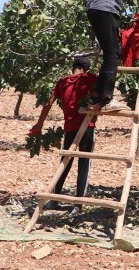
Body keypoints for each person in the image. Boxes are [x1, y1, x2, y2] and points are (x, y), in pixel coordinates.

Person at [30, 56, 98, 212]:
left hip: (70, 128)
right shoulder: (90, 78)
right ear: (85, 69)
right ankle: (78, 205)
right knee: (84, 164)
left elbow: (48, 103)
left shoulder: (62, 82)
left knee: (64, 163)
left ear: (73, 67)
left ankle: (54, 201)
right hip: (88, 126)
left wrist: (39, 124)